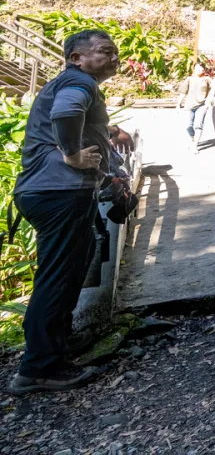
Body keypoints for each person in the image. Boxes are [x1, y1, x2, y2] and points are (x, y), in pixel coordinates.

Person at [7, 29, 125, 395]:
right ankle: (39, 367)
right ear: (76, 57)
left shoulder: (71, 81)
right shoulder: (79, 82)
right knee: (59, 276)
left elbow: (73, 115)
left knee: (70, 266)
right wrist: (73, 155)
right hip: (59, 191)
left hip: (46, 191)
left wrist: (108, 132)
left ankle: (54, 346)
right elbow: (68, 111)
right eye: (104, 51)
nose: (114, 57)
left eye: (115, 51)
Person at [176, 63, 211, 152]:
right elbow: (183, 92)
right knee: (188, 125)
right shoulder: (189, 79)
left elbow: (213, 91)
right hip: (189, 105)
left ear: (204, 70)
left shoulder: (207, 79)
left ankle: (195, 145)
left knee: (198, 125)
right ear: (194, 69)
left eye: (202, 69)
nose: (200, 70)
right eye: (197, 69)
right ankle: (193, 137)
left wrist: (209, 102)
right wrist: (178, 104)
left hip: (202, 105)